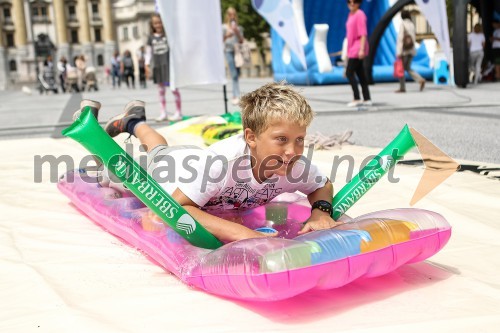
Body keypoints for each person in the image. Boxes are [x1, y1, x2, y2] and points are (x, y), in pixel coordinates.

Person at [87, 82, 341, 242]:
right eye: (281, 139)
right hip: (164, 172)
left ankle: (133, 121)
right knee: (113, 172)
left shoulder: (292, 165)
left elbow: (322, 184)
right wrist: (244, 234)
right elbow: (177, 209)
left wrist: (321, 212)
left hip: (192, 160)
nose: (292, 150)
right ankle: (111, 130)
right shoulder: (223, 163)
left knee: (158, 147)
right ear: (251, 137)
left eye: (299, 139)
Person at [146, 13, 182, 122]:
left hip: (169, 66)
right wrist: (147, 64)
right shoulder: (150, 38)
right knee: (161, 91)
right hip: (158, 66)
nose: (158, 25)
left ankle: (178, 112)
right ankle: (163, 112)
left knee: (174, 89)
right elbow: (148, 53)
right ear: (152, 25)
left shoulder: (167, 35)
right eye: (155, 23)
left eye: (159, 22)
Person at [345, 0, 372, 107]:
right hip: (352, 48)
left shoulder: (360, 14)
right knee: (361, 74)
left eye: (355, 1)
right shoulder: (350, 14)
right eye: (349, 1)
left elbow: (363, 34)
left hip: (357, 47)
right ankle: (367, 98)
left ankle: (356, 98)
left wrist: (361, 49)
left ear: (359, 3)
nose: (352, 4)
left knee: (349, 72)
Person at [395, 9, 426, 92]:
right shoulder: (412, 24)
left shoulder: (403, 24)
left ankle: (402, 87)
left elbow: (401, 38)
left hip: (404, 51)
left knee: (401, 68)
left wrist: (399, 51)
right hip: (411, 50)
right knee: (408, 68)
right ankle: (420, 79)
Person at [222, 7, 244, 105]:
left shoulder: (239, 28)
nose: (232, 16)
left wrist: (237, 32)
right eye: (230, 14)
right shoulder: (223, 27)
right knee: (233, 74)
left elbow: (241, 41)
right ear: (227, 15)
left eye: (233, 14)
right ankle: (236, 95)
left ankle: (236, 94)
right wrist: (227, 35)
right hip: (228, 51)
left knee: (237, 74)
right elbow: (220, 40)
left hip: (237, 52)